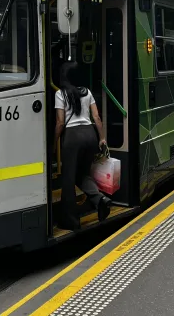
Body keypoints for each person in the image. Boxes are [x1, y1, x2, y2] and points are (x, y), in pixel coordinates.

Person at [54, 62, 111, 231]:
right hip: (90, 135)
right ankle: (99, 199)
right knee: (83, 174)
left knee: (68, 179)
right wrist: (102, 138)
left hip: (72, 138)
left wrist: (52, 144)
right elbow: (97, 117)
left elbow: (59, 122)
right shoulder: (87, 92)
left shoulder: (60, 93)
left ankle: (71, 221)